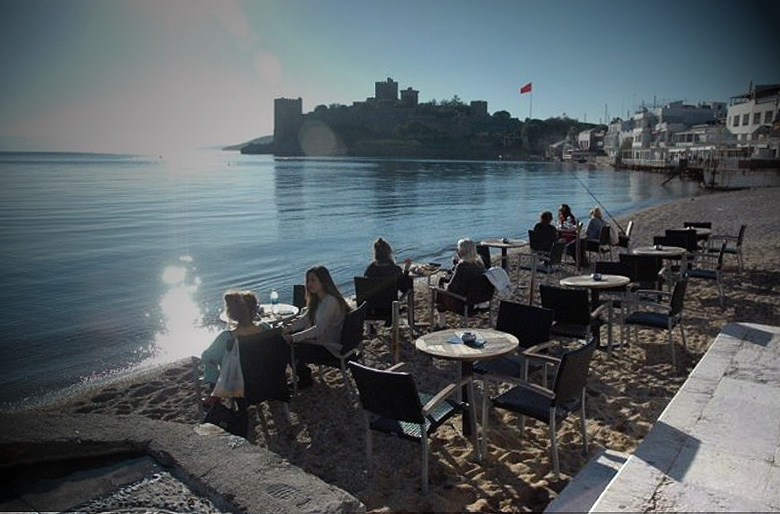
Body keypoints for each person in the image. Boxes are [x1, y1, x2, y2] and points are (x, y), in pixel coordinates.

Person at [283, 265, 351, 388]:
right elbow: (304, 319)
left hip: (330, 348)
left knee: (287, 348)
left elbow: (318, 330)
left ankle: (304, 378)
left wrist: (293, 338)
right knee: (290, 337)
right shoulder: (319, 299)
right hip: (328, 340)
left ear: (323, 281)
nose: (309, 284)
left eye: (313, 280)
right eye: (308, 280)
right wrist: (288, 329)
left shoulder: (330, 301)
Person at [201, 290, 268, 387]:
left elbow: (207, 357)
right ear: (255, 310)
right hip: (266, 378)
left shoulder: (226, 338)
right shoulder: (265, 328)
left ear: (231, 314)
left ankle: (214, 385)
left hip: (239, 386)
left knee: (210, 358)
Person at [435, 238, 493, 328]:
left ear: (462, 251)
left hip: (465, 305)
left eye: (457, 249)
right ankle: (441, 322)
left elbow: (451, 288)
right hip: (478, 301)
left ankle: (441, 323)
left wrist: (442, 285)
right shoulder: (480, 263)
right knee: (443, 285)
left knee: (440, 291)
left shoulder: (462, 266)